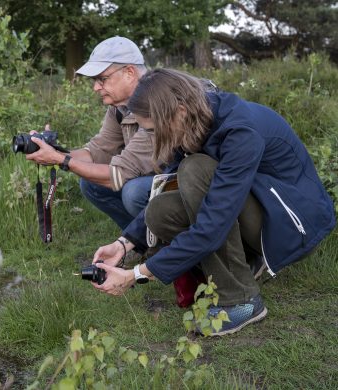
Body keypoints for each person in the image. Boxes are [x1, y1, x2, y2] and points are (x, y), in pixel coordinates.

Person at [90, 68, 336, 336]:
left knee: (195, 169)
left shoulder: (239, 131)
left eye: (153, 129)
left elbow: (212, 226)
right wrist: (123, 244)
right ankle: (244, 264)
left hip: (294, 225)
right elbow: (165, 188)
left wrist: (135, 274)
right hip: (258, 207)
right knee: (160, 212)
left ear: (179, 111)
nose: (154, 137)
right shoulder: (195, 120)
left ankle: (241, 300)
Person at [25, 36, 155, 230]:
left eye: (102, 79)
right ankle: (139, 243)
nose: (95, 87)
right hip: (154, 177)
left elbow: (118, 175)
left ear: (129, 72)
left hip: (189, 186)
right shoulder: (119, 107)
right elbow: (97, 151)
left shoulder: (157, 104)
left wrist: (62, 161)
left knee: (133, 192)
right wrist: (54, 153)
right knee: (92, 184)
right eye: (95, 80)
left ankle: (174, 247)